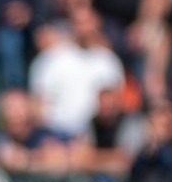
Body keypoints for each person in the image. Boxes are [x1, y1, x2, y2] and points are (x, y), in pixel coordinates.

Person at [29, 7, 126, 137]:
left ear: (97, 23)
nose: (84, 28)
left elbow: (118, 101)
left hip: (97, 135)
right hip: (56, 134)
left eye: (88, 22)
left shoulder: (109, 61)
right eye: (79, 22)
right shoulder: (51, 59)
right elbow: (37, 103)